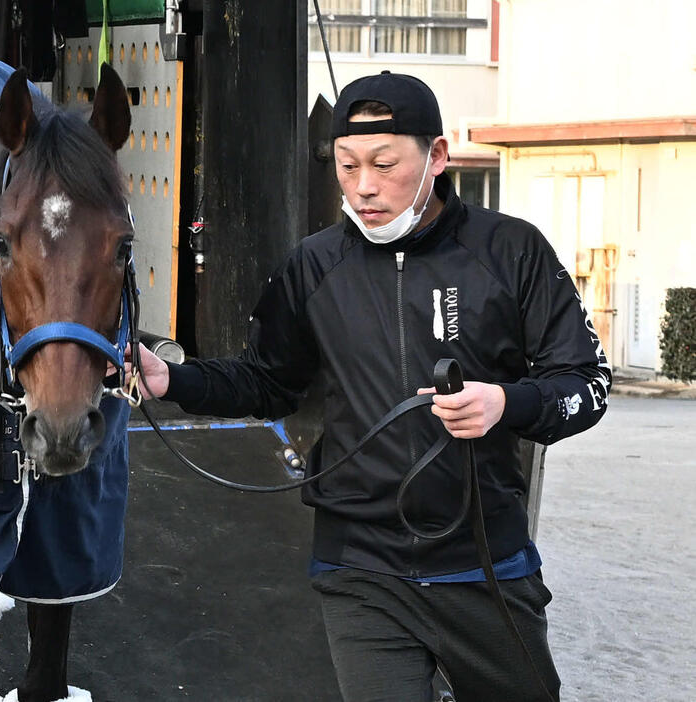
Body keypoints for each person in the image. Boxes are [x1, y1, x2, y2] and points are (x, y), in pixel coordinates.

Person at [121, 72, 611, 701]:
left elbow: (587, 383)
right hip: (360, 566)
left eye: (385, 163)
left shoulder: (510, 250)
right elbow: (268, 382)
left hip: (486, 563)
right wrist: (173, 378)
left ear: (436, 156)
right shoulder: (315, 265)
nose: (364, 187)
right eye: (347, 166)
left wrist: (506, 403)